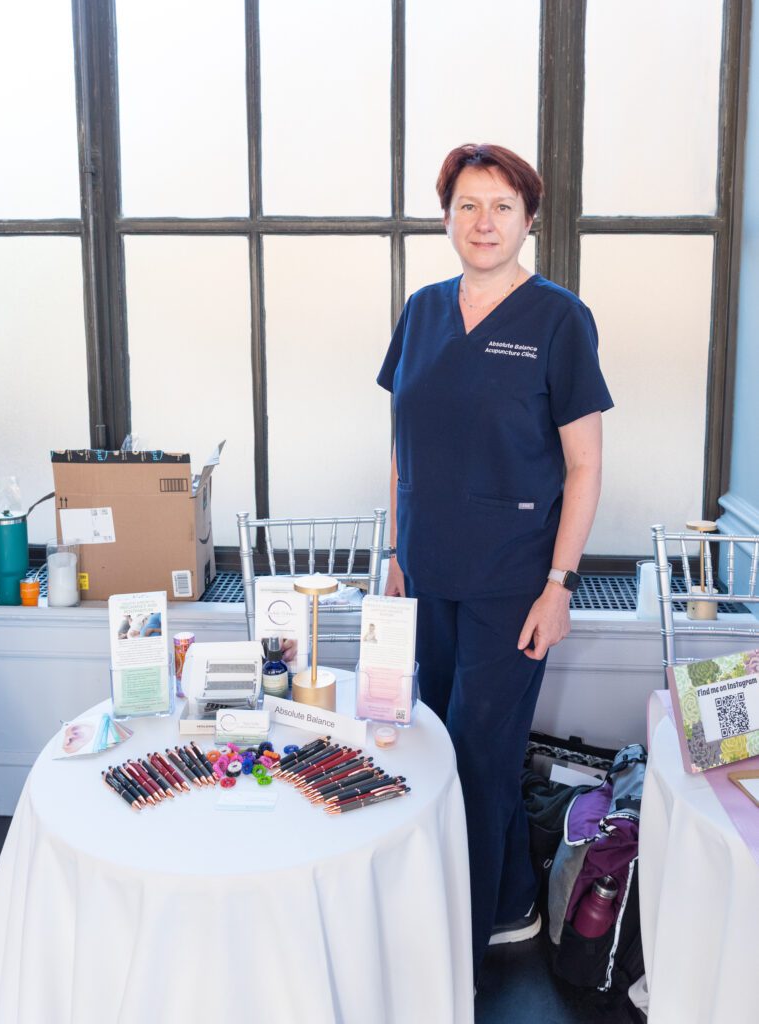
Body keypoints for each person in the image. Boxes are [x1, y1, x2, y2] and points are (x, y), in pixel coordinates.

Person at [377, 143, 613, 973]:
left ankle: (458, 942)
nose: (484, 222)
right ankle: (510, 898)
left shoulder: (556, 319)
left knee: (477, 755)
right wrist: (398, 547)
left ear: (527, 220)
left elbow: (582, 464)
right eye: (468, 205)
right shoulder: (421, 310)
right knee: (431, 740)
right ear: (446, 217)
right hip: (429, 568)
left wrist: (559, 585)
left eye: (502, 207)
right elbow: (404, 442)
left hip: (513, 580)